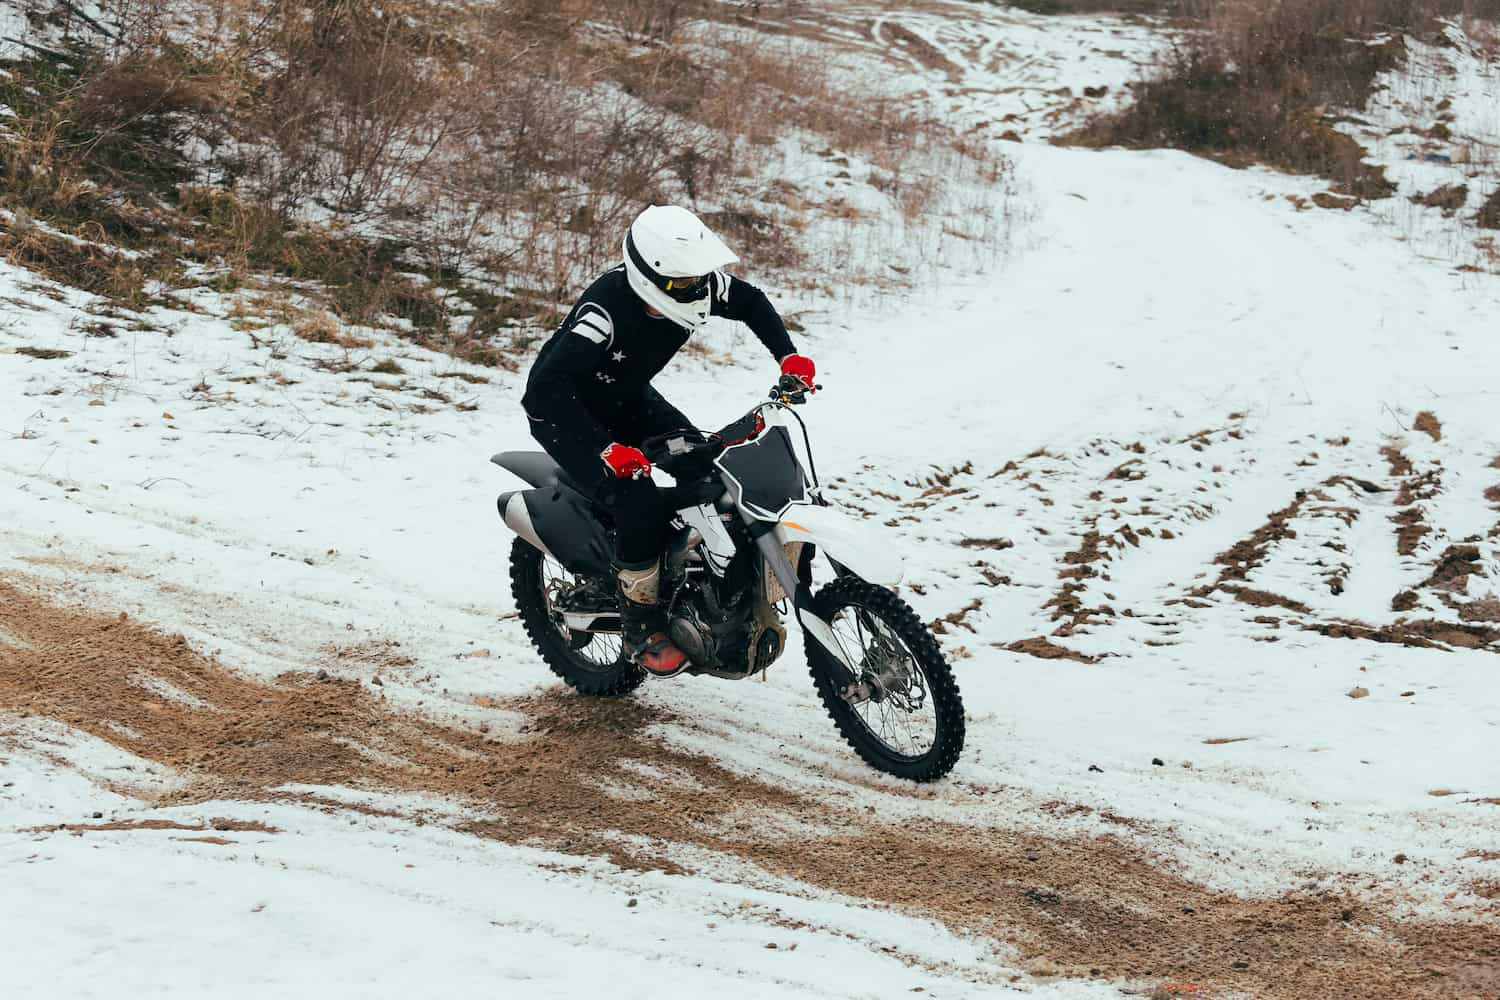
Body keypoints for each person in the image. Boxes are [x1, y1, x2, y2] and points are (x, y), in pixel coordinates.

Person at [521, 205, 817, 677]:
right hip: (567, 414)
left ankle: (700, 584)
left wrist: (789, 358)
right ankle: (640, 624)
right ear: (649, 275)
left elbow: (751, 302)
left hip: (628, 397)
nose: (698, 287)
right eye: (684, 281)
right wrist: (606, 448)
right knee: (636, 498)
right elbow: (544, 391)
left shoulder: (693, 286)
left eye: (699, 277)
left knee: (707, 468)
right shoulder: (603, 315)